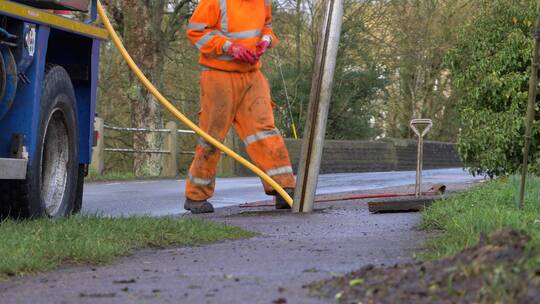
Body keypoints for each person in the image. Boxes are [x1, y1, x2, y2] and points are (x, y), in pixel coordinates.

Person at [185, 0, 295, 213]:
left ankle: (284, 188)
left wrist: (266, 40)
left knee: (265, 132)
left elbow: (268, 28)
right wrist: (229, 47)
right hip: (218, 75)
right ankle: (195, 196)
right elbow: (195, 32)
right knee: (212, 137)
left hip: (252, 75)